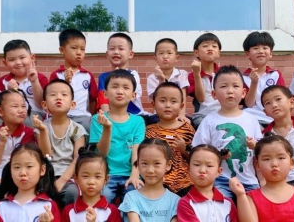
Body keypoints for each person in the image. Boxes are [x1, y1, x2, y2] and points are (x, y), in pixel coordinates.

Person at [192, 66, 261, 199]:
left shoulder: (252, 120)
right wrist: (218, 156)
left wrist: (255, 146)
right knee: (222, 206)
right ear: (214, 94)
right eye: (224, 86)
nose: (230, 91)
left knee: (254, 208)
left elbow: (262, 151)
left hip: (248, 181)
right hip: (220, 180)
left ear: (243, 92)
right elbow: (198, 151)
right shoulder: (209, 120)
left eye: (235, 86)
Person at [0, 89, 50, 198]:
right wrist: (2, 142)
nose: (21, 110)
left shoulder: (29, 133)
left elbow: (46, 156)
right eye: (15, 106)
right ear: (0, 111)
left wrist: (42, 131)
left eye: (23, 106)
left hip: (22, 175)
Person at [89, 69, 145, 203]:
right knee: (102, 199)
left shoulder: (138, 121)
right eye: (115, 87)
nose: (120, 91)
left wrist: (135, 175)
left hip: (130, 173)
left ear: (133, 95)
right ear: (105, 94)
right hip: (105, 175)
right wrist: (107, 128)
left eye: (126, 87)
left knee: (135, 199)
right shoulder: (98, 119)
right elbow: (102, 153)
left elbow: (137, 150)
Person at [41, 79, 87, 207]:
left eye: (64, 94)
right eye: (53, 94)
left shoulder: (77, 129)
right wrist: (42, 131)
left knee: (71, 193)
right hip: (45, 174)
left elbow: (78, 158)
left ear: (72, 104)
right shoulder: (42, 127)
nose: (58, 97)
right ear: (44, 104)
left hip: (69, 175)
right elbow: (46, 155)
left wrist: (63, 180)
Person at [145, 82, 195, 196]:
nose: (168, 105)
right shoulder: (149, 131)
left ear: (181, 106)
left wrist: (184, 149)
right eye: (162, 101)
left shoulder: (187, 129)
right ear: (153, 104)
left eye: (173, 101)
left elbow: (196, 157)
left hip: (185, 182)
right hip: (157, 181)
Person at [49, 28, 97, 134]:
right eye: (74, 48)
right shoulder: (56, 75)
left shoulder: (87, 75)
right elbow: (50, 97)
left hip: (82, 116)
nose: (79, 52)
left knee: (91, 130)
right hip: (61, 116)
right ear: (62, 50)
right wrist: (65, 82)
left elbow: (93, 99)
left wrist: (91, 116)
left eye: (82, 49)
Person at [0, 39, 48, 123]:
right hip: (9, 115)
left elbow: (41, 104)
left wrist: (34, 82)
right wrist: (9, 92)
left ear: (32, 58)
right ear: (5, 63)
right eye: (12, 60)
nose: (18, 62)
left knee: (27, 121)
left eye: (22, 58)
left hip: (34, 114)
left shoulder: (40, 78)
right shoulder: (2, 81)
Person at [241, 31, 285, 127]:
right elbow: (249, 104)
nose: (261, 51)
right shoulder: (243, 78)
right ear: (248, 54)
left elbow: (282, 99)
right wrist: (254, 83)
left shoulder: (276, 75)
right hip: (252, 118)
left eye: (265, 48)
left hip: (273, 118)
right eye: (255, 48)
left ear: (270, 53)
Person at [96, 32, 144, 115]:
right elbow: (103, 100)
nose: (116, 52)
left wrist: (119, 77)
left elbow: (134, 95)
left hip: (135, 115)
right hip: (112, 116)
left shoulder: (133, 74)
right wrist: (107, 118)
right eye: (112, 49)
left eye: (121, 49)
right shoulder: (103, 77)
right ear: (107, 54)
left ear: (130, 54)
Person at [188, 33, 222, 129]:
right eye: (205, 46)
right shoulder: (192, 75)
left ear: (219, 53)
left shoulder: (224, 73)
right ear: (196, 52)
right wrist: (197, 74)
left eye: (214, 46)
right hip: (202, 116)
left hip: (223, 114)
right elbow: (201, 99)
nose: (210, 49)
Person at [146, 38, 189, 102]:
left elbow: (183, 99)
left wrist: (182, 110)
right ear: (155, 58)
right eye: (161, 53)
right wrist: (161, 80)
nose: (165, 56)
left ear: (177, 58)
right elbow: (156, 99)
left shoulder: (182, 74)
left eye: (169, 53)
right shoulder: (152, 78)